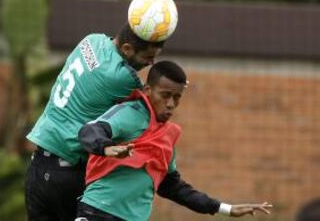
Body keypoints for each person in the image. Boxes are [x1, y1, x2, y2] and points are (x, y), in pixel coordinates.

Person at [76, 61, 273, 221]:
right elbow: (90, 131)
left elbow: (171, 186)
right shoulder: (131, 113)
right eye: (165, 95)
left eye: (177, 98)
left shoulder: (167, 136)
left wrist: (224, 208)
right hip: (97, 213)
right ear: (147, 90)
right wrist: (106, 147)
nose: (171, 104)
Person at [24, 23, 164, 221]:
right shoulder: (122, 78)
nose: (151, 63)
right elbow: (147, 109)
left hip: (38, 167)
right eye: (147, 57)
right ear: (127, 49)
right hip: (68, 174)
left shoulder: (91, 40)